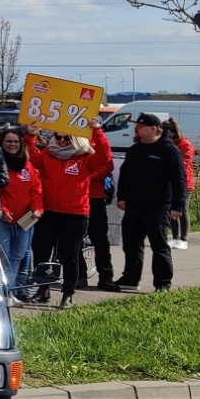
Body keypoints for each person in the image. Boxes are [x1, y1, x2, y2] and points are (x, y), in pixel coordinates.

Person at [115, 113, 187, 291]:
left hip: (158, 208)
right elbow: (124, 175)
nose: (136, 129)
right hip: (134, 206)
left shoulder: (169, 150)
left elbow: (180, 180)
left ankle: (163, 283)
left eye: (140, 126)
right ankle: (130, 278)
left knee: (159, 246)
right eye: (136, 126)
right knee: (131, 244)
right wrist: (122, 196)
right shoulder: (135, 149)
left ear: (154, 129)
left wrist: (178, 206)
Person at [30, 130, 95, 307]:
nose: (62, 141)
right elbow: (29, 158)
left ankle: (68, 294)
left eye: (68, 138)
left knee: (69, 256)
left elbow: (105, 160)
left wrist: (97, 131)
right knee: (41, 253)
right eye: (59, 137)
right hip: (49, 213)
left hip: (75, 215)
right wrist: (30, 136)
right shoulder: (47, 155)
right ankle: (43, 290)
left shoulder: (85, 158)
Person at [0, 127, 42, 303]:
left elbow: (36, 190)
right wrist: (3, 211)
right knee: (2, 259)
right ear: (1, 143)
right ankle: (1, 293)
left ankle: (9, 293)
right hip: (2, 220)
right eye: (8, 141)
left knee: (16, 258)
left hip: (24, 221)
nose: (12, 145)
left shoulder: (27, 165)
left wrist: (37, 209)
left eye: (15, 141)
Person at [86, 113, 116, 289]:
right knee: (72, 242)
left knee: (100, 241)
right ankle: (79, 275)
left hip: (95, 197)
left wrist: (90, 178)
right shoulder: (67, 138)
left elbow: (108, 163)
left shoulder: (97, 139)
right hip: (72, 199)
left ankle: (106, 277)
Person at [165, 117, 195, 248]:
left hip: (184, 182)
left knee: (183, 210)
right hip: (171, 182)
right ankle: (175, 237)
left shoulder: (185, 144)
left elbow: (185, 162)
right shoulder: (170, 143)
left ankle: (184, 238)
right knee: (172, 211)